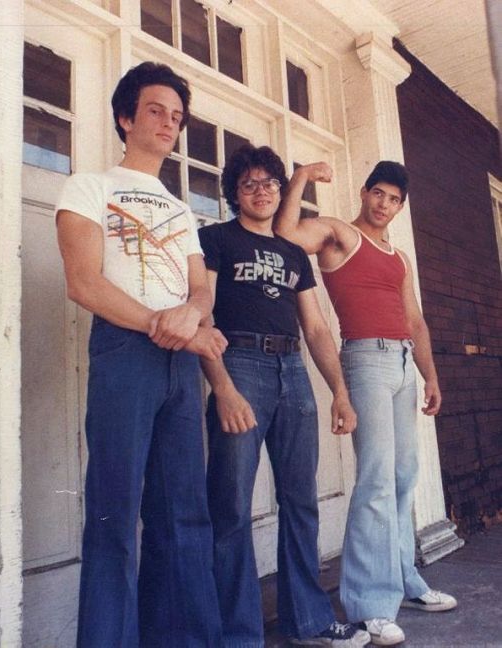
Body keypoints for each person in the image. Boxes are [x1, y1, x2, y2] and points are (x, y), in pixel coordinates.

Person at [55, 61, 226, 648]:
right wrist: (162, 322)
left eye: (177, 116)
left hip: (181, 364)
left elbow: (201, 289)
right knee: (115, 513)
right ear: (126, 118)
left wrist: (191, 316)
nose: (169, 123)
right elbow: (84, 282)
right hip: (125, 351)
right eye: (156, 110)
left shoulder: (180, 209)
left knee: (185, 514)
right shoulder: (90, 186)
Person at [275, 160, 457, 646]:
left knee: (403, 476)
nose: (384, 204)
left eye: (394, 199)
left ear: (400, 206)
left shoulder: (399, 257)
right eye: (379, 193)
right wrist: (301, 178)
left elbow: (415, 321)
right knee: (376, 478)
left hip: (403, 362)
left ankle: (404, 581)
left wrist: (430, 376)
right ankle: (371, 604)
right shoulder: (339, 234)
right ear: (364, 192)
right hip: (365, 359)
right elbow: (287, 235)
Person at [199, 144, 370, 648]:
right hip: (240, 364)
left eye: (270, 183)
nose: (261, 191)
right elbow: (202, 315)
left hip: (292, 370)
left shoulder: (294, 252)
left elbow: (315, 327)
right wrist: (222, 387)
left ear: (280, 190)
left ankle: (308, 621)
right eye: (249, 183)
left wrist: (340, 392)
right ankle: (238, 634)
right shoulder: (216, 239)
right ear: (234, 192)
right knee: (231, 504)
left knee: (300, 500)